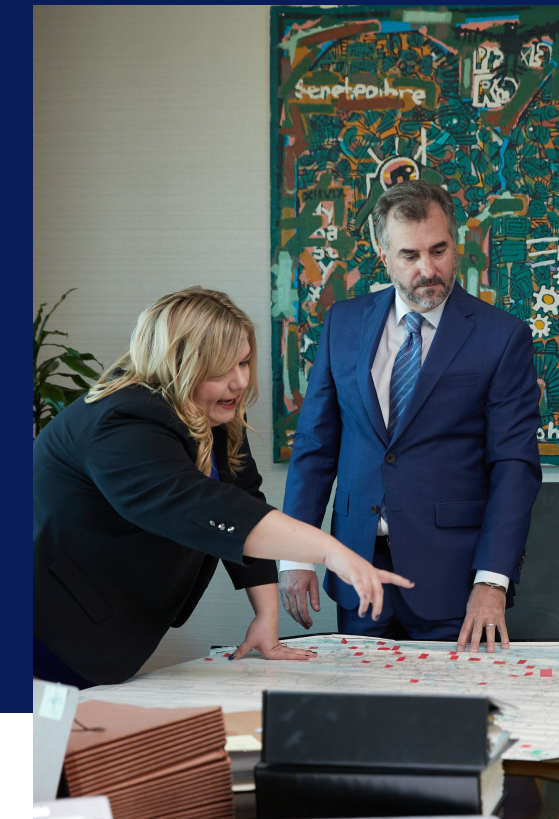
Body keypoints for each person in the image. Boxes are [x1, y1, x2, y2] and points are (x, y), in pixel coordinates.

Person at [33, 287, 413, 688]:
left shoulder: (211, 414)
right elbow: (204, 506)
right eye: (220, 370)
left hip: (100, 634)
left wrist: (266, 616)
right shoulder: (124, 422)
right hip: (45, 628)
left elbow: (244, 498)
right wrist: (331, 551)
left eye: (244, 362)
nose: (239, 382)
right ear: (178, 365)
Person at [279, 180, 542, 654]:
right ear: (383, 255)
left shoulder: (502, 337)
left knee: (449, 720)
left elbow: (514, 467)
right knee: (357, 717)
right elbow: (315, 446)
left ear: (455, 243)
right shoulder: (343, 322)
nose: (428, 269)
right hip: (355, 568)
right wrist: (294, 554)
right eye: (409, 255)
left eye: (439, 250)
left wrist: (493, 581)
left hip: (453, 581)